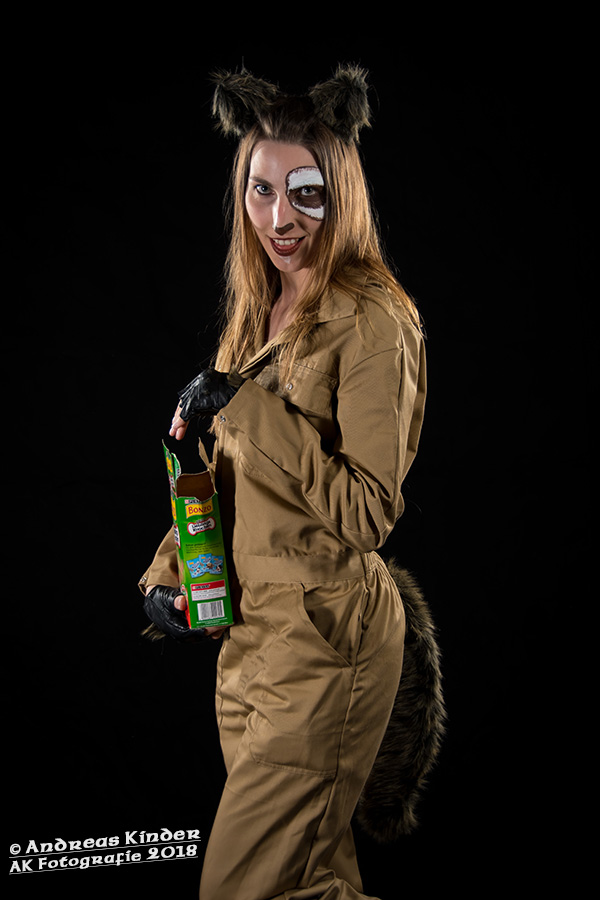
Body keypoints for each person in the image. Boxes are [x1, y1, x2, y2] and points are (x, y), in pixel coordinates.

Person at [139, 65, 428, 900]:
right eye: (261, 191)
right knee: (304, 881)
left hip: (325, 644)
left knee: (240, 885)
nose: (279, 218)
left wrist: (248, 406)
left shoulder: (373, 320)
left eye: (305, 194)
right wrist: (169, 575)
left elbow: (367, 512)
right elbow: (236, 478)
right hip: (250, 645)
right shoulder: (260, 306)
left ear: (341, 193)